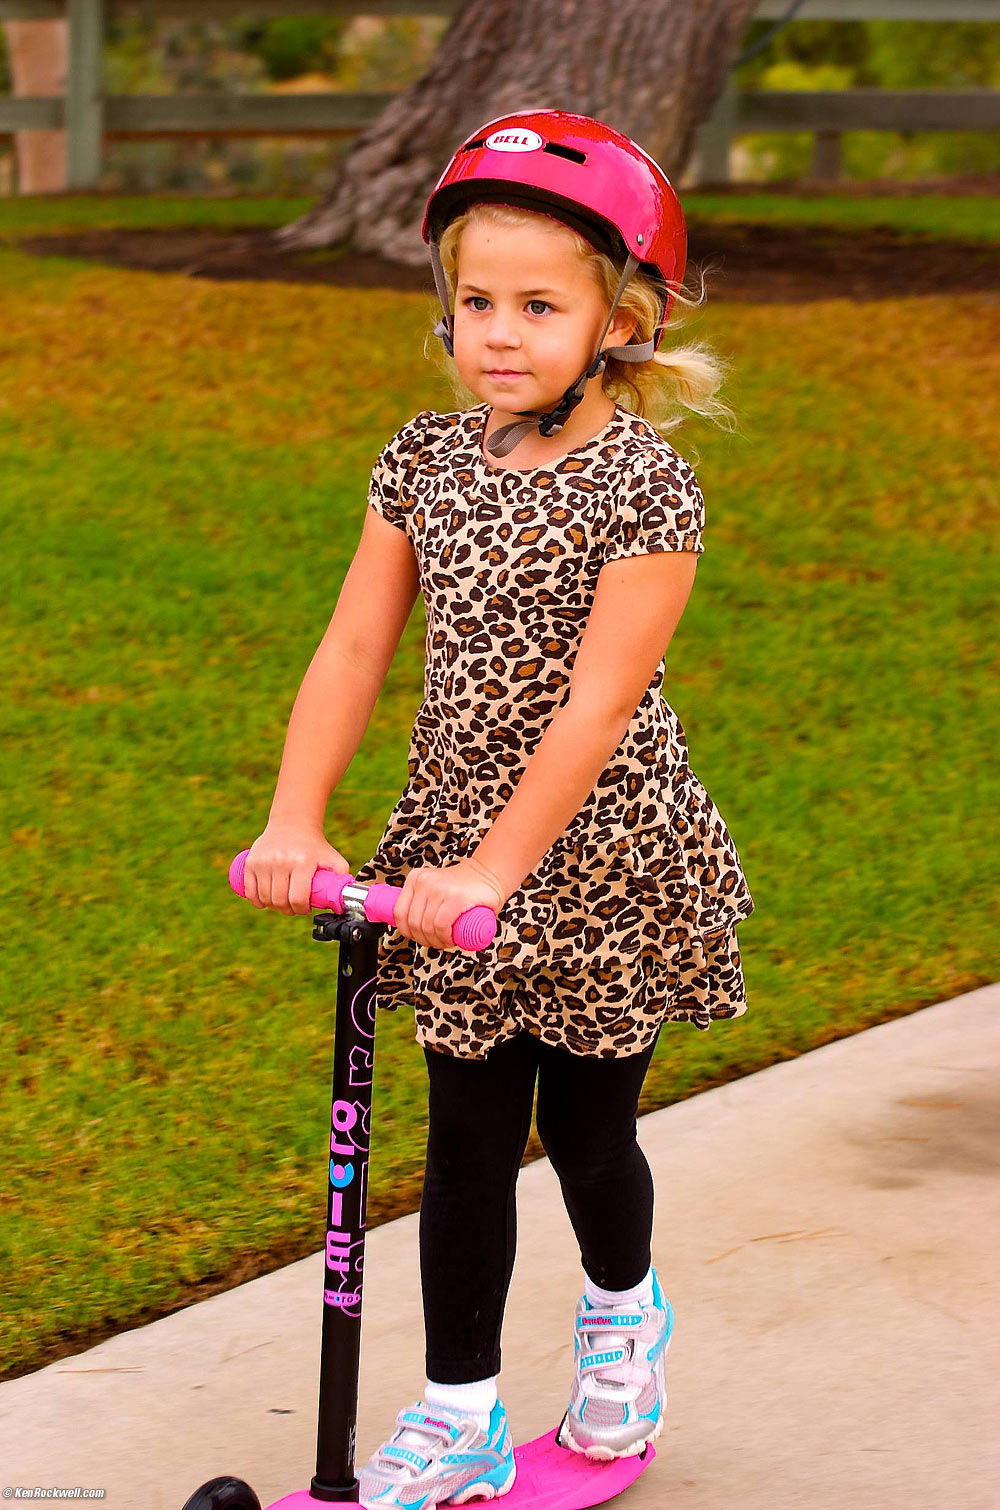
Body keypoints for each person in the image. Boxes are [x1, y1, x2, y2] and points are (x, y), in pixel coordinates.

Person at [242, 108, 754, 1509]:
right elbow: (354, 646)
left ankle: (621, 1317)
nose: (501, 332)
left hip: (599, 862)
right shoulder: (425, 464)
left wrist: (494, 871)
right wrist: (299, 817)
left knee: (589, 1134)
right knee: (463, 1137)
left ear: (623, 320)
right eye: (477, 301)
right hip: (454, 858)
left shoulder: (648, 487)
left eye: (540, 303)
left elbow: (597, 704)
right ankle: (460, 1411)